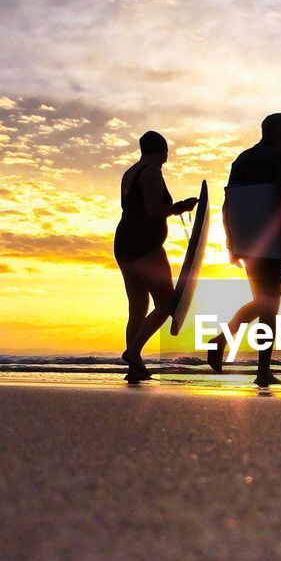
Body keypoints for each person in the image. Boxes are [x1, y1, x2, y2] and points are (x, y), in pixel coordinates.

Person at [207, 113, 281, 387]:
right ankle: (261, 370)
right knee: (269, 306)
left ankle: (223, 341)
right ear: (280, 133)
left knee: (263, 301)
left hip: (248, 240)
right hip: (271, 241)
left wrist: (230, 241)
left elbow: (229, 203)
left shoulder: (242, 159)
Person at [114, 131, 198, 382]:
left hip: (125, 245)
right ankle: (133, 353)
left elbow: (132, 208)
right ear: (162, 150)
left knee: (137, 310)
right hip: (145, 246)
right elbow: (152, 211)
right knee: (166, 304)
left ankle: (134, 369)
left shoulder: (130, 172)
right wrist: (179, 207)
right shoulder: (151, 172)